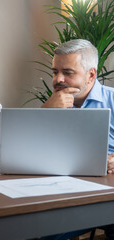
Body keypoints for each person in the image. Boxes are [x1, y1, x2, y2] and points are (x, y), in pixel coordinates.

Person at [40, 39, 114, 239]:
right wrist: (46, 112)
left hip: (108, 195)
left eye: (68, 72)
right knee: (42, 232)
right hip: (65, 195)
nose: (58, 79)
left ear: (91, 75)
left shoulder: (112, 99)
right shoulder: (51, 105)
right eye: (55, 72)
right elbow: (29, 151)